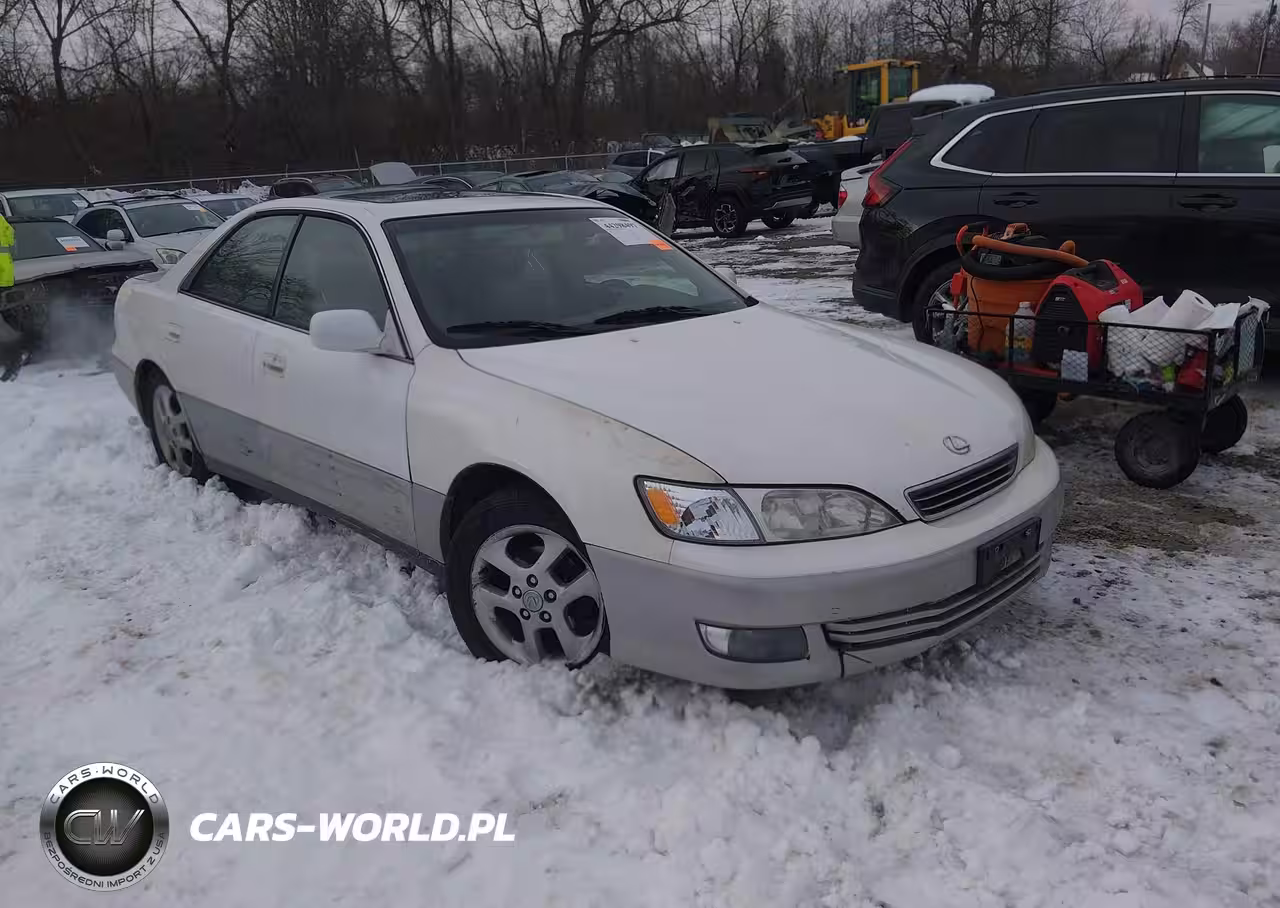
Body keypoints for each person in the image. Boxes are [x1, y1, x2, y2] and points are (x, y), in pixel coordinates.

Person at [0, 212, 23, 381]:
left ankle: (12, 360)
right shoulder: (1, 219)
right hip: (5, 276)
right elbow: (14, 247)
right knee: (7, 318)